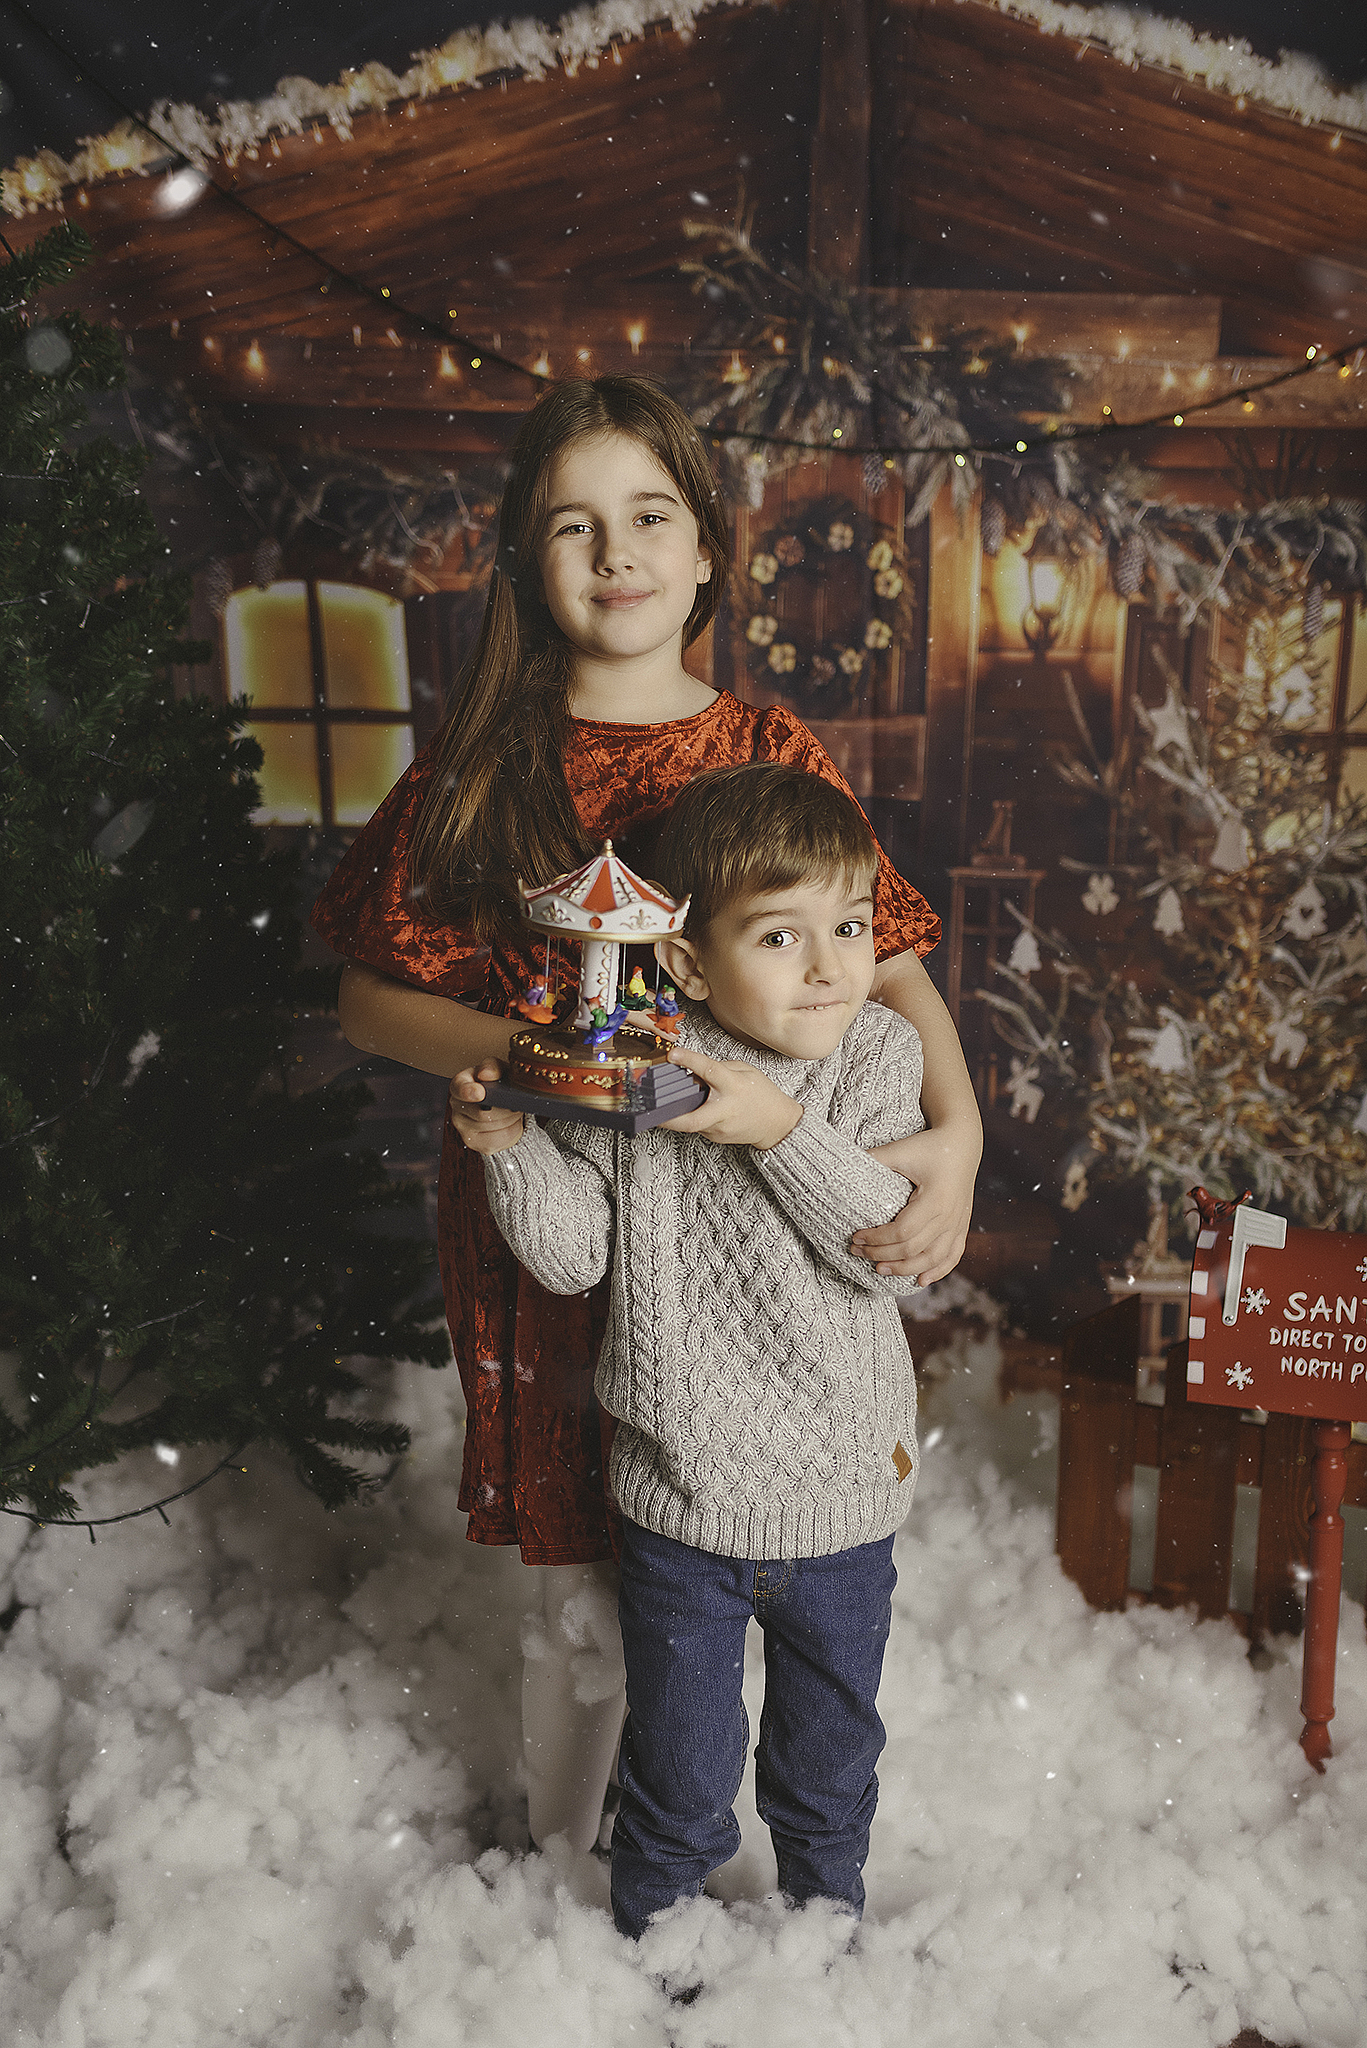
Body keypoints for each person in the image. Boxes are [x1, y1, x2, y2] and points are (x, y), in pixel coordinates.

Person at [311, 375, 980, 1858]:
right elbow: (367, 1000)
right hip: (543, 1193)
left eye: (648, 515)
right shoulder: (483, 764)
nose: (614, 552)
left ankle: (729, 1817)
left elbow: (887, 962)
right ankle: (575, 1856)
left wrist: (961, 1131)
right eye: (573, 524)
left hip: (752, 1221)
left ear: (705, 550)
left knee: (732, 1514)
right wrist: (555, 1061)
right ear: (525, 557)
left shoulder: (765, 750)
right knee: (585, 1559)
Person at [452, 763, 925, 1937]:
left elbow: (880, 1250)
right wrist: (510, 1146)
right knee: (678, 1766)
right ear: (687, 961)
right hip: (679, 1503)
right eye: (778, 934)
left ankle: (822, 1930)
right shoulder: (639, 1061)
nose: (827, 964)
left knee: (825, 1758)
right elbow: (572, 1256)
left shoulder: (875, 1054)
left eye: (848, 926)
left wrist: (776, 1126)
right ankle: (654, 1942)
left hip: (837, 1501)